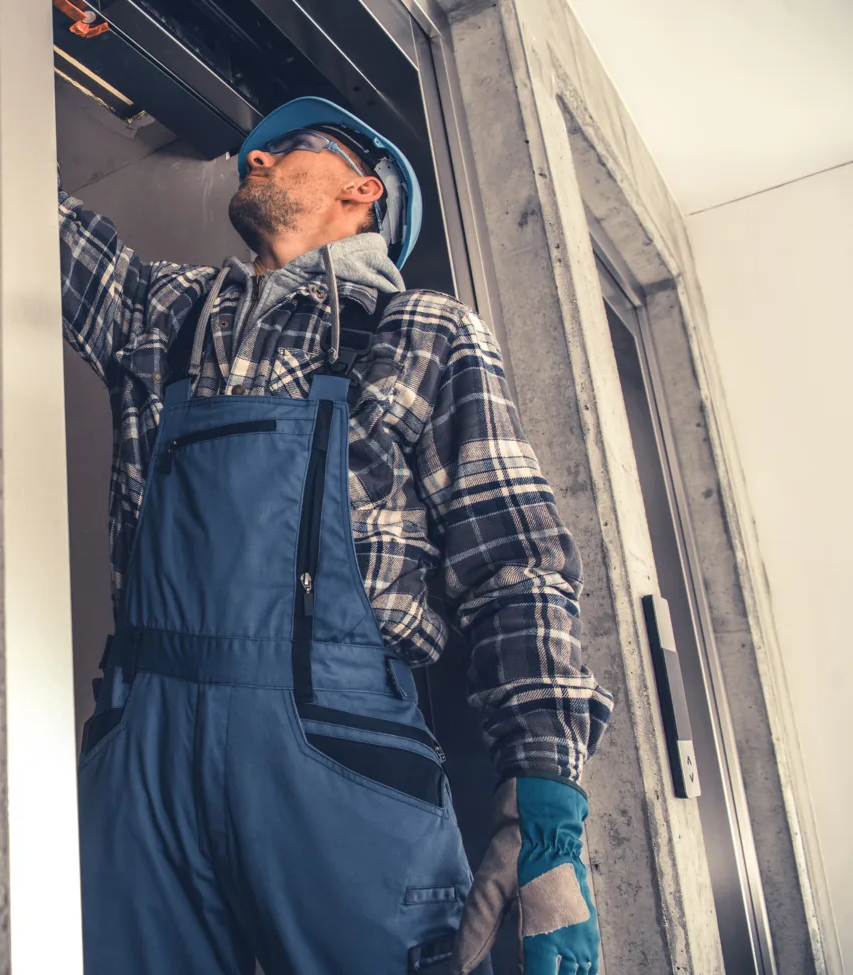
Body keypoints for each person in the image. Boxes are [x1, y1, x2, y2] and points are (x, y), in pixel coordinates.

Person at [59, 96, 614, 975]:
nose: (255, 160)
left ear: (362, 188)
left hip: (340, 752)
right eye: (255, 152)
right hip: (142, 754)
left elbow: (516, 563)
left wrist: (543, 805)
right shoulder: (160, 311)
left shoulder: (424, 332)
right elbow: (19, 208)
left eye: (287, 151)